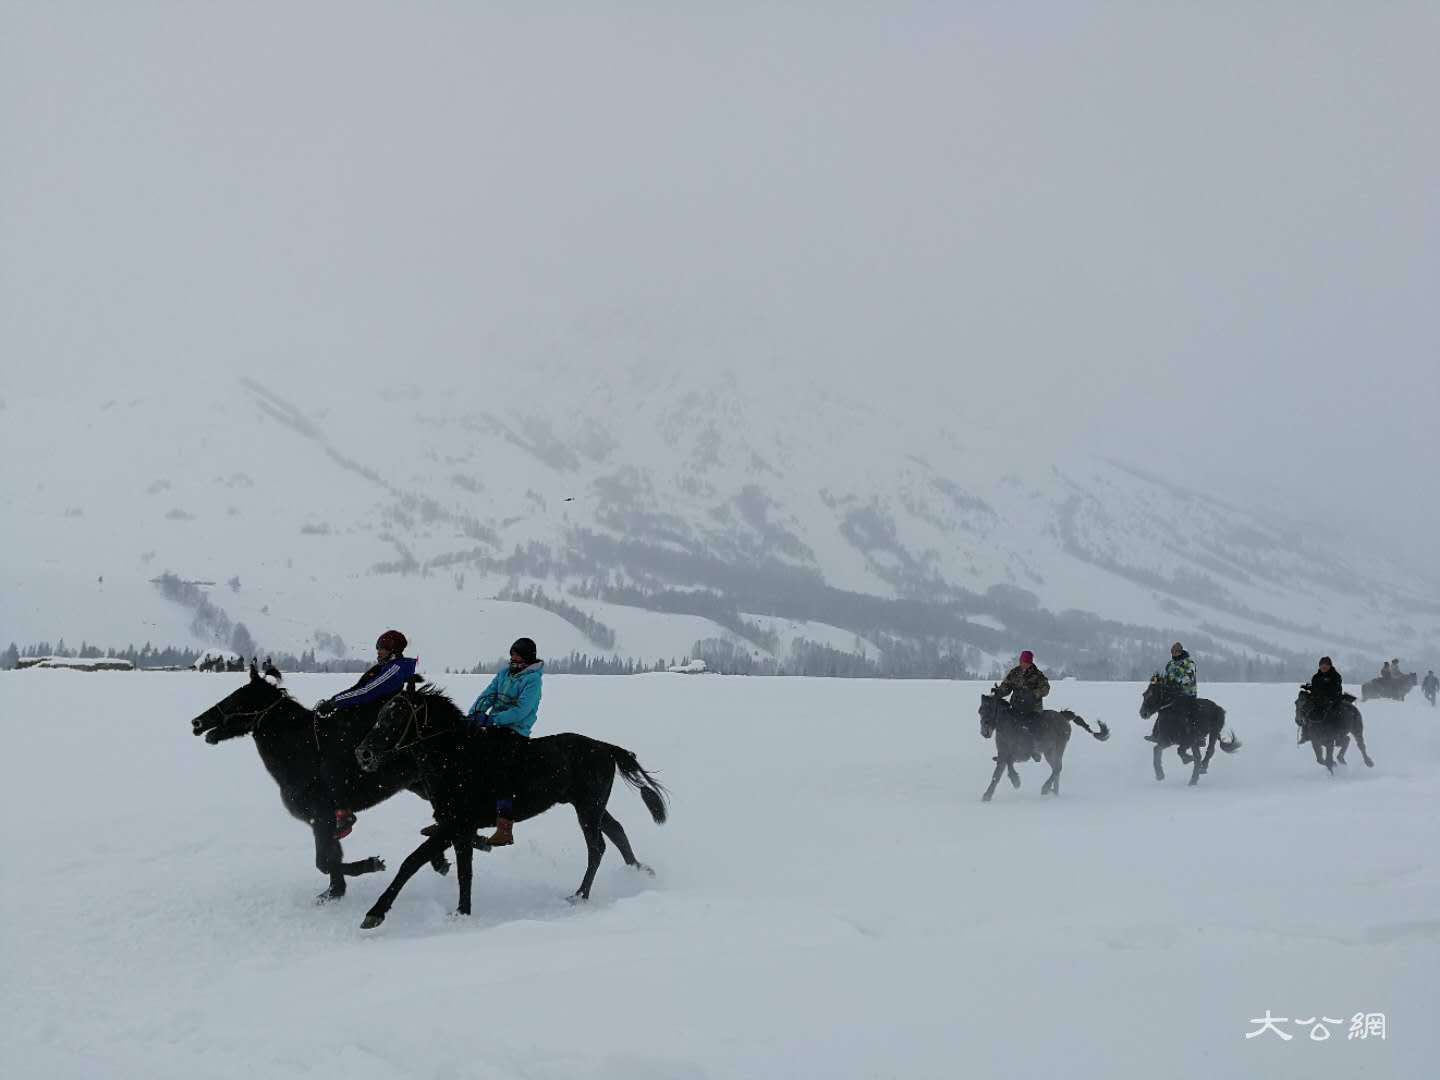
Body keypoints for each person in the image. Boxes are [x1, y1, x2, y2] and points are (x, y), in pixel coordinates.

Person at [314, 630, 418, 838]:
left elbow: (367, 692)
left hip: (375, 723)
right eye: (378, 648)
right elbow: (357, 689)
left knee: (336, 755)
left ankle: (344, 811)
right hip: (361, 718)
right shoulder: (383, 668)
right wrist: (334, 701)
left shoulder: (395, 669)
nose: (378, 652)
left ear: (393, 650)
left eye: (382, 648)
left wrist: (335, 702)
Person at [464, 637, 543, 847]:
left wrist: (492, 720)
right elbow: (487, 695)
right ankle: (457, 817)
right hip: (493, 727)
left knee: (500, 768)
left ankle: (504, 828)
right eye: (512, 654)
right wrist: (475, 713)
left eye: (517, 654)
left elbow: (521, 711)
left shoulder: (533, 680)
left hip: (514, 731)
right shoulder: (503, 674)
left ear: (527, 657)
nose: (513, 657)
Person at [994, 650, 1050, 747]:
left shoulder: (1038, 675)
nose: (1024, 664)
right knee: (1008, 725)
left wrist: (1034, 694)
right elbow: (1006, 686)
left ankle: (1035, 747)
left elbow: (1045, 688)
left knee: (1033, 726)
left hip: (1033, 709)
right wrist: (998, 692)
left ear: (1031, 662)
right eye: (1023, 662)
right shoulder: (1014, 672)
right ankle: (1005, 749)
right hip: (1016, 706)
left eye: (1027, 663)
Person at [1302, 656, 1344, 726]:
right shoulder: (1316, 677)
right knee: (1304, 707)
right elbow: (1315, 688)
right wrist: (1309, 688)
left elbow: (1335, 690)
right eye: (1322, 665)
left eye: (1326, 664)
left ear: (1330, 666)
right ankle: (1305, 729)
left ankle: (1337, 732)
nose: (1324, 666)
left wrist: (1322, 695)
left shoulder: (1335, 676)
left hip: (1332, 700)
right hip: (1317, 700)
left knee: (1326, 713)